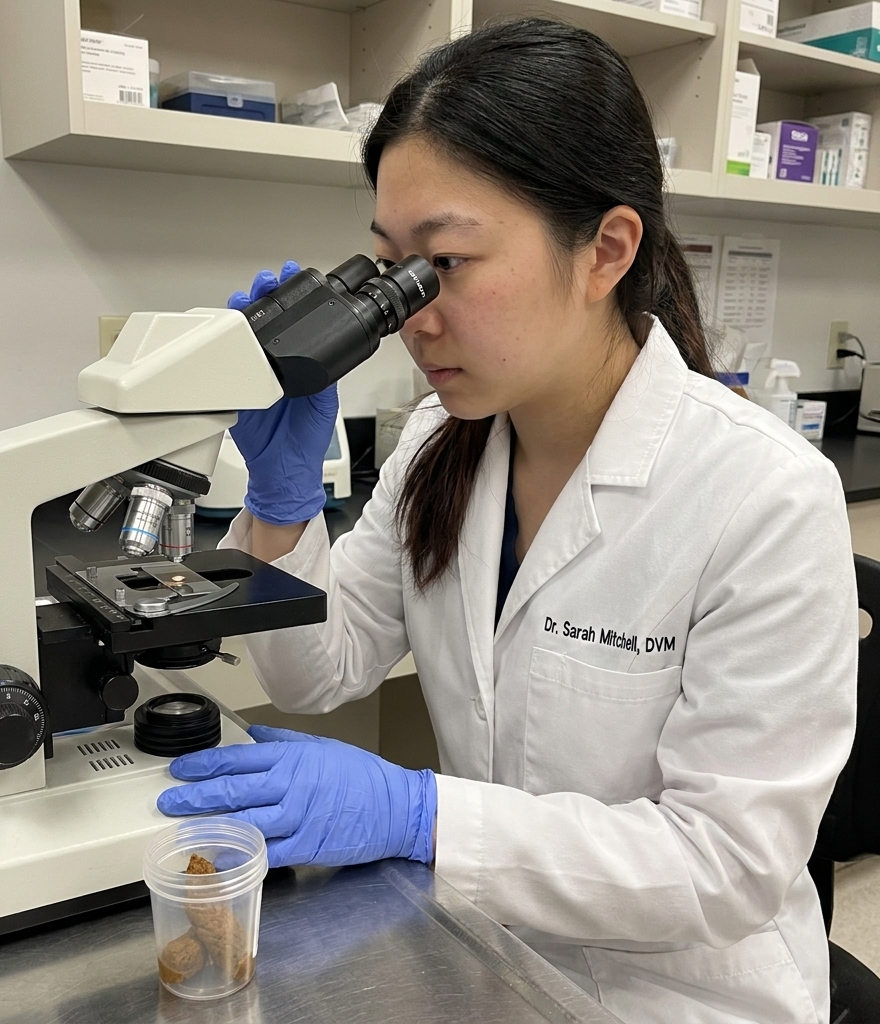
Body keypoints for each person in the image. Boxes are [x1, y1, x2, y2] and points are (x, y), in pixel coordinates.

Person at [157, 19, 857, 1024]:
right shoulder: (444, 442)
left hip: (681, 999)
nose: (408, 314)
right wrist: (281, 503)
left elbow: (724, 867)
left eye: (441, 263)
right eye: (388, 268)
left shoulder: (764, 493)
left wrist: (419, 812)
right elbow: (319, 672)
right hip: (481, 962)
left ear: (605, 249)